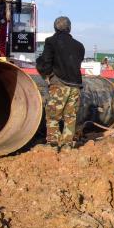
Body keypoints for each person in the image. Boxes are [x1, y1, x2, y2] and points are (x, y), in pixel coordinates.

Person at [36, 16, 85, 150]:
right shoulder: (79, 46)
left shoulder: (51, 42)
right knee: (70, 116)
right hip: (75, 86)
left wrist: (42, 69)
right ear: (69, 28)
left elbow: (45, 63)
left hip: (59, 85)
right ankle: (67, 145)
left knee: (53, 115)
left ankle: (52, 144)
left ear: (55, 27)